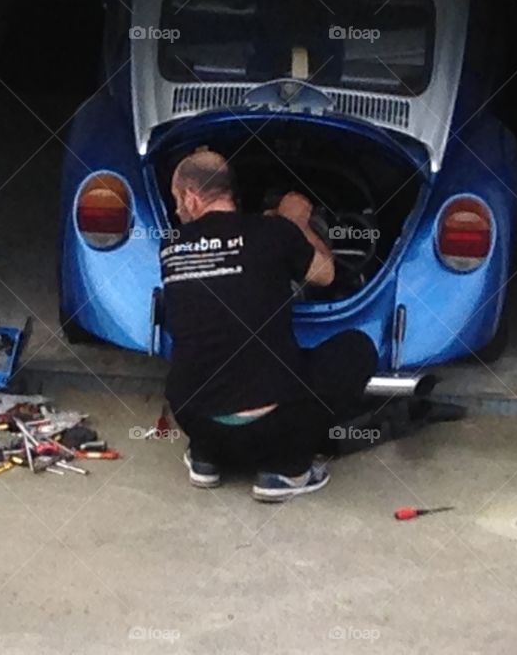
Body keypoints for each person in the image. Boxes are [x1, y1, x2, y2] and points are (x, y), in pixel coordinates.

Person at [161, 149, 378, 502]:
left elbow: (230, 260)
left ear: (192, 197)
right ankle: (286, 470)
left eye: (176, 201)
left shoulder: (171, 246)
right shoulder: (275, 233)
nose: (176, 211)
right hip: (273, 430)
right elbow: (326, 274)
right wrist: (298, 223)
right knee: (357, 348)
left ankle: (206, 457)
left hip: (193, 419)